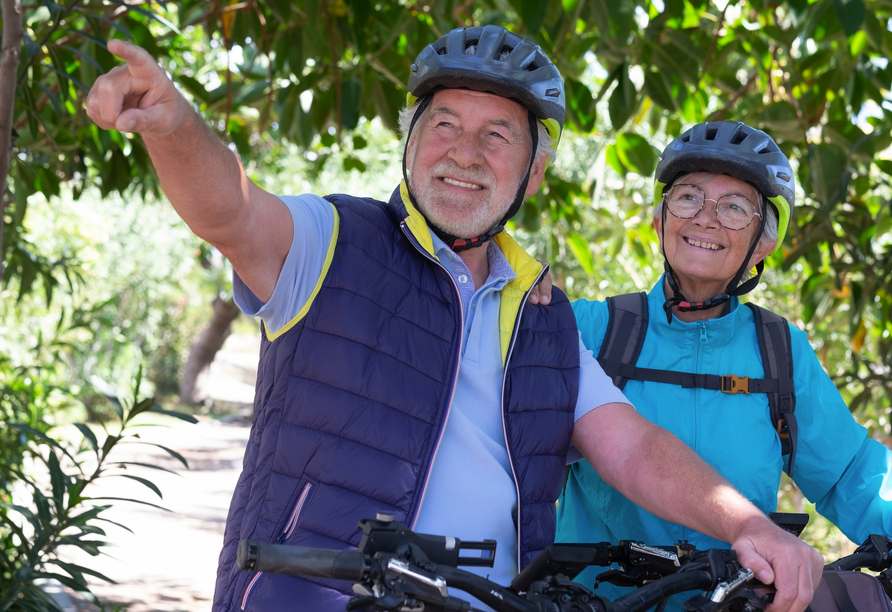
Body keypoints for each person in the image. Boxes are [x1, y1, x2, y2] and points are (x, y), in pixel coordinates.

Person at [85, 30, 822, 612]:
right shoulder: (333, 241)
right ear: (410, 143)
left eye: (497, 135)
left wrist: (748, 526)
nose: (463, 153)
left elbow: (630, 447)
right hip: (314, 594)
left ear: (532, 173)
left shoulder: (542, 315)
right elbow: (233, 212)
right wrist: (175, 127)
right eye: (443, 125)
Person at [553, 120, 892, 610]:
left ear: (762, 244)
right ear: (659, 219)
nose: (707, 219)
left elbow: (851, 474)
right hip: (597, 602)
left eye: (735, 207)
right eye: (689, 197)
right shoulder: (591, 328)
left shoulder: (779, 349)